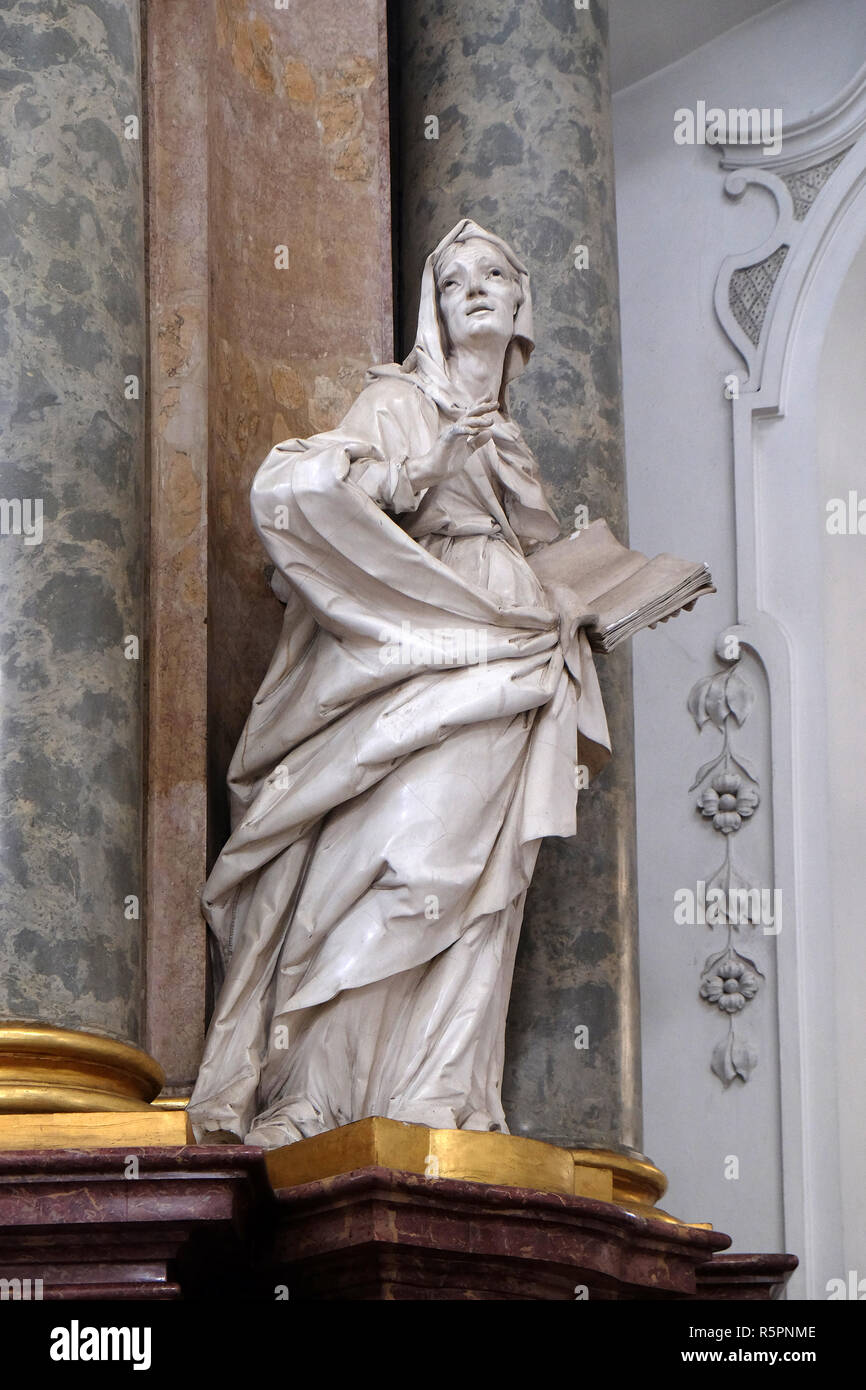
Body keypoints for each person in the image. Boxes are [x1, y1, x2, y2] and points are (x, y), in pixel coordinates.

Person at [188, 219, 611, 1147]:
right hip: (417, 642)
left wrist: (576, 603)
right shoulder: (395, 402)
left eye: (495, 273)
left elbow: (538, 551)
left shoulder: (514, 438)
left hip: (519, 645)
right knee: (400, 856)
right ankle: (319, 1093)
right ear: (435, 303)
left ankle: (435, 1091)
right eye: (455, 277)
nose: (475, 287)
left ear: (522, 302)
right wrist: (427, 463)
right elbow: (319, 494)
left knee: (486, 879)